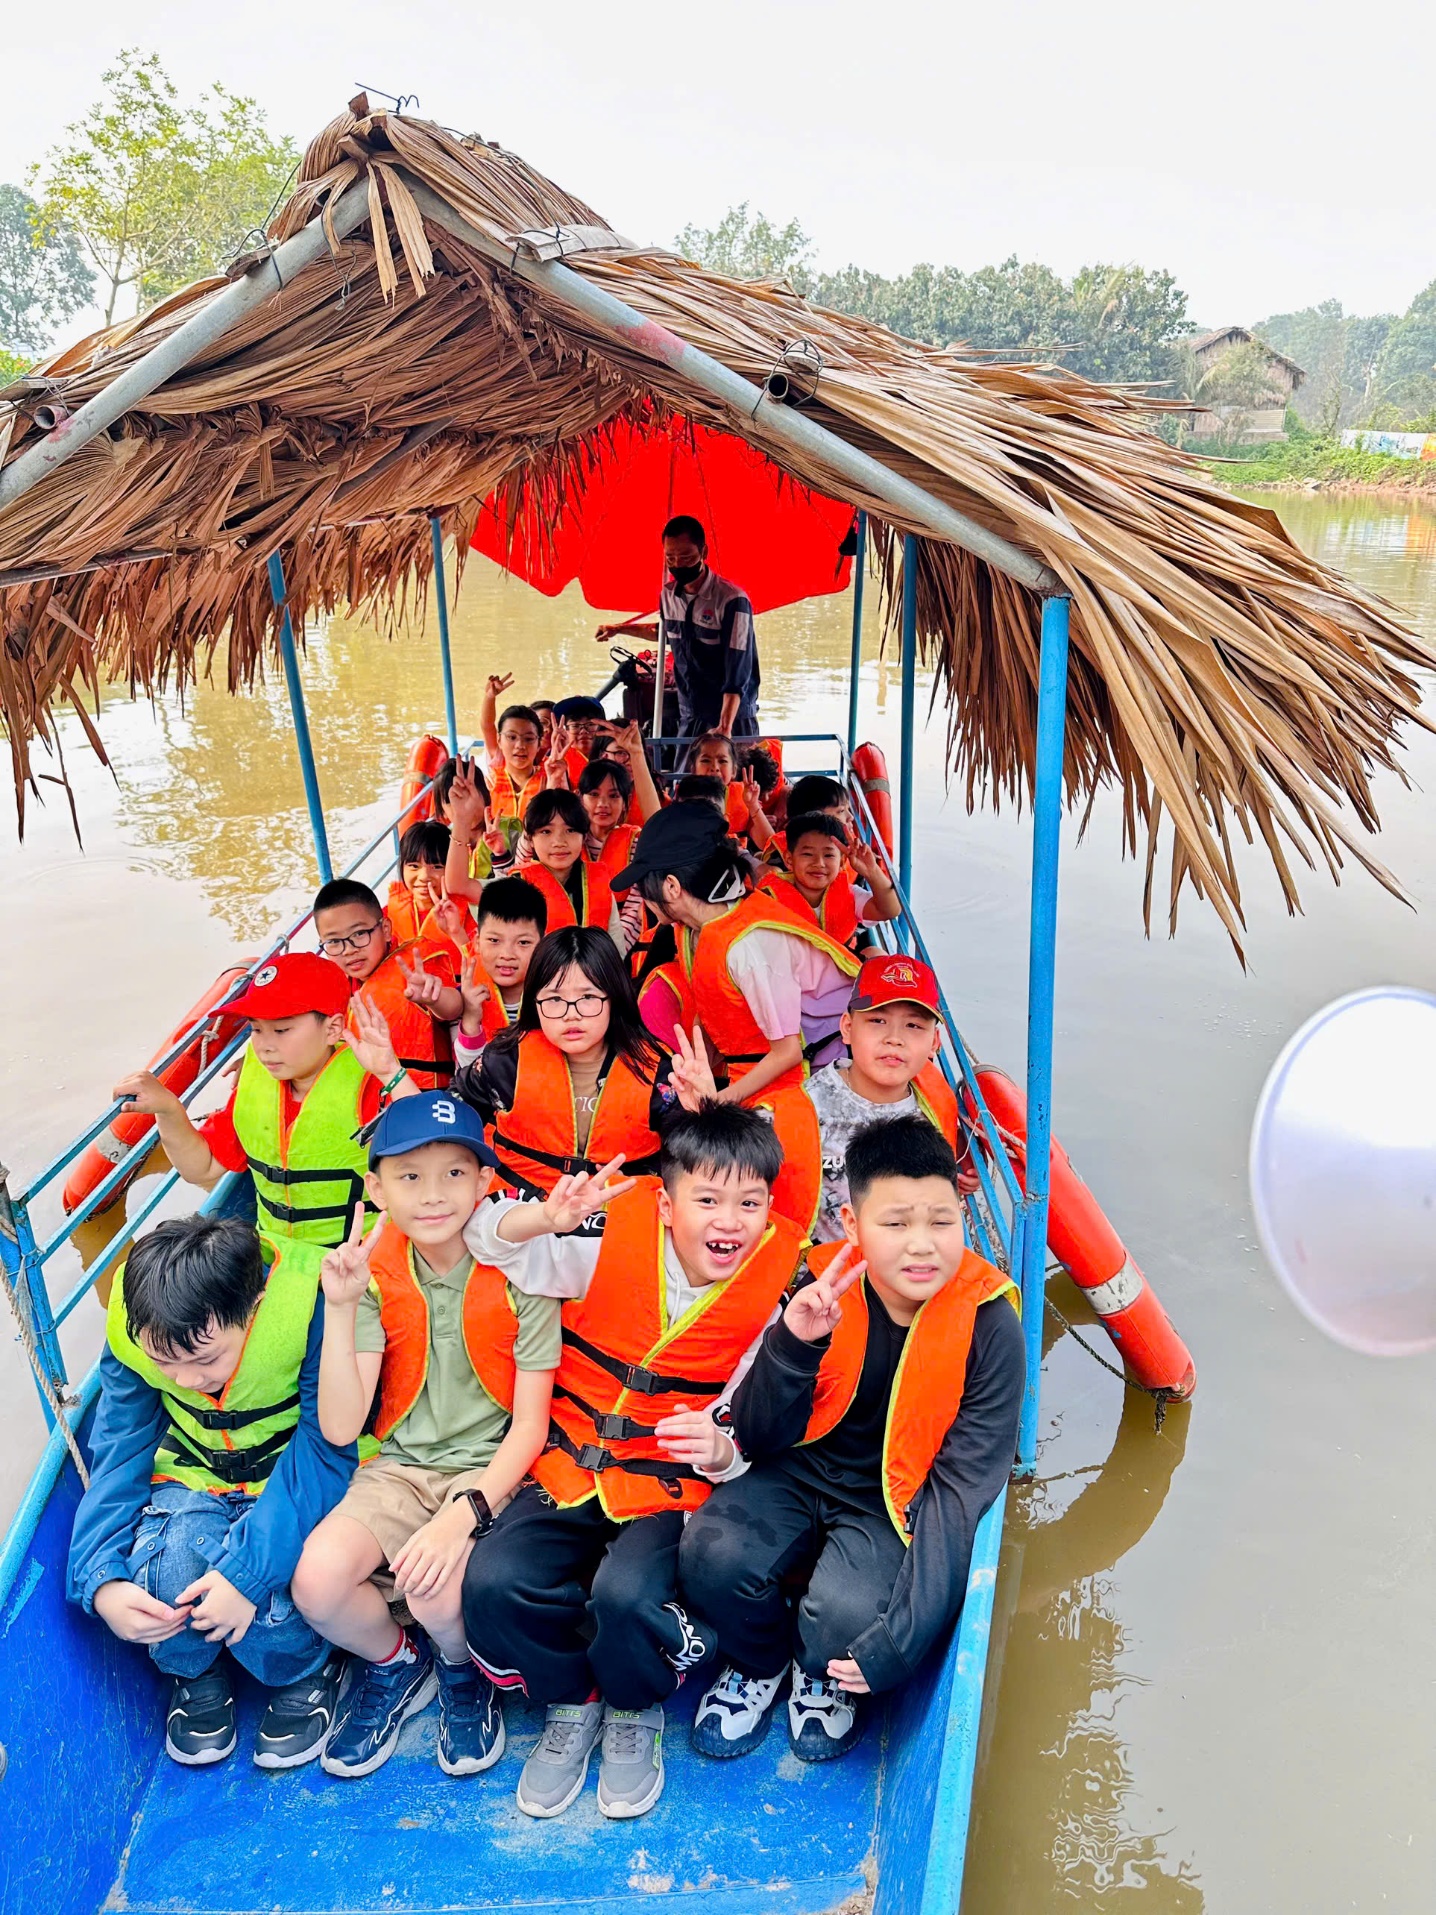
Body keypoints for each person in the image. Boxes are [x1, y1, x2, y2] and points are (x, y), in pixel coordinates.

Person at [460, 1102, 805, 1819]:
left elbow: (753, 1413)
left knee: (625, 1597)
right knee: (492, 1581)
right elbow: (485, 1238)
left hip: (667, 1485)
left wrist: (722, 1449)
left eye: (749, 1203)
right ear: (667, 1203)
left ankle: (632, 1705)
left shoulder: (779, 1285)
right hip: (567, 1462)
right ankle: (573, 1697)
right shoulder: (606, 1232)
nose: (729, 1221)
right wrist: (545, 1218)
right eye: (707, 1200)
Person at [679, 1117, 1023, 1762]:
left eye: (941, 1221)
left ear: (961, 1215)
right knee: (708, 1557)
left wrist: (905, 1639)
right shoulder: (818, 1286)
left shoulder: (990, 1322)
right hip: (796, 1470)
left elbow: (963, 1490)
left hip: (891, 1498)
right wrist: (793, 1344)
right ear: (853, 1223)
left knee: (847, 1619)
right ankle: (759, 1663)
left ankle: (818, 1671)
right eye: (895, 1223)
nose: (921, 1246)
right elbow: (757, 1433)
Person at [291, 1093, 559, 1780]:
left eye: (454, 1174)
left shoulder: (523, 1269)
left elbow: (530, 1426)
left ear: (485, 1181)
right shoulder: (372, 1273)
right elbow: (342, 1425)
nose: (433, 1194)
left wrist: (460, 1517)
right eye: (409, 1176)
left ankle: (461, 1671)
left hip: (493, 1466)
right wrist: (341, 1306)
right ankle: (398, 1661)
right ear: (377, 1189)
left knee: (435, 1591)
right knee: (317, 1582)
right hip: (400, 1467)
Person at [68, 1215, 354, 1769]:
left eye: (205, 1360)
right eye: (164, 1363)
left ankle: (302, 1669)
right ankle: (195, 1673)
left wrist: (245, 1576)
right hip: (194, 1475)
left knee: (282, 1587)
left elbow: (325, 1450)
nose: (185, 1381)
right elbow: (120, 1450)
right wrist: (100, 1579)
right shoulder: (138, 1316)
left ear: (254, 1307)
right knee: (164, 1570)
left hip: (293, 1477)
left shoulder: (311, 1299)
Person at [616, 805, 855, 1232]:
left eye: (644, 886)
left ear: (671, 887)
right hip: (753, 1064)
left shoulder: (751, 945)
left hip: (812, 1071)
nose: (642, 898)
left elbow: (787, 1052)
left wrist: (720, 1103)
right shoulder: (698, 929)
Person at [111, 954, 396, 1248]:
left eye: (281, 1030)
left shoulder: (373, 1083)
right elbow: (202, 1168)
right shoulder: (256, 1081)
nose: (264, 1047)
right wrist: (169, 1110)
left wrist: (391, 1075)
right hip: (275, 1250)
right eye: (256, 1029)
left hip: (361, 1252)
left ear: (332, 1029)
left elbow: (421, 1171)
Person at [451, 927, 674, 1209]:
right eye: (555, 999)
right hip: (522, 1212)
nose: (571, 1014)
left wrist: (703, 1109)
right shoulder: (507, 1059)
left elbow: (693, 1159)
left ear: (614, 997)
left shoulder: (660, 1071)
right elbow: (453, 1111)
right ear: (535, 1001)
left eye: (588, 997)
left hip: (616, 1213)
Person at [805, 954, 971, 1242]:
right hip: (825, 1264)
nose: (894, 1038)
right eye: (878, 1020)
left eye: (913, 1026)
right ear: (847, 1028)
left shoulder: (934, 1107)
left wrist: (965, 1168)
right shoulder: (805, 1107)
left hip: (909, 1259)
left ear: (934, 1043)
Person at [595, 516, 761, 739]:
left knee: (731, 762)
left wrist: (725, 726)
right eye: (670, 558)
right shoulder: (668, 595)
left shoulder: (732, 600)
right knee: (684, 762)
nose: (678, 564)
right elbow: (664, 633)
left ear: (703, 552)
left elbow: (738, 668)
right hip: (690, 711)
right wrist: (618, 628)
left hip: (732, 715)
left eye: (686, 557)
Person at [314, 877, 462, 1092]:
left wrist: (434, 998)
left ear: (385, 929)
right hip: (367, 1096)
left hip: (426, 1095)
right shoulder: (334, 986)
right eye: (334, 941)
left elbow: (454, 1008)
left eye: (359, 934)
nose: (349, 949)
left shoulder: (414, 969)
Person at [444, 875, 549, 1060]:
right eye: (494, 940)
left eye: (523, 942)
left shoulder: (557, 995)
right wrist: (470, 1020)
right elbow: (468, 1071)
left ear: (543, 944)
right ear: (477, 942)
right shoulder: (469, 995)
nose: (507, 954)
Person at [759, 813, 900, 947]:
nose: (819, 863)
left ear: (841, 862)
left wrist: (872, 872)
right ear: (789, 860)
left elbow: (890, 910)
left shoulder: (850, 895)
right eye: (808, 854)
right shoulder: (769, 896)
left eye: (828, 855)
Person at [683, 731, 773, 847]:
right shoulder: (683, 798)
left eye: (722, 761)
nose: (715, 767)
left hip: (736, 855)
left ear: (734, 771)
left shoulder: (743, 799)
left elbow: (768, 845)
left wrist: (753, 805)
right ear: (693, 769)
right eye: (706, 760)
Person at [478, 675, 545, 824]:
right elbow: (487, 726)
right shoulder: (491, 781)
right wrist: (489, 697)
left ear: (539, 744)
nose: (520, 745)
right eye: (512, 737)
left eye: (529, 739)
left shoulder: (549, 780)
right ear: (499, 740)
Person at [762, 774, 854, 872]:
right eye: (841, 811)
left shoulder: (853, 850)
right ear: (813, 817)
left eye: (848, 809)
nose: (851, 817)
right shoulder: (780, 861)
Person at [387, 820, 451, 945]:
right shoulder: (393, 907)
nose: (424, 877)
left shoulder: (469, 910)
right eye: (414, 866)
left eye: (437, 867)